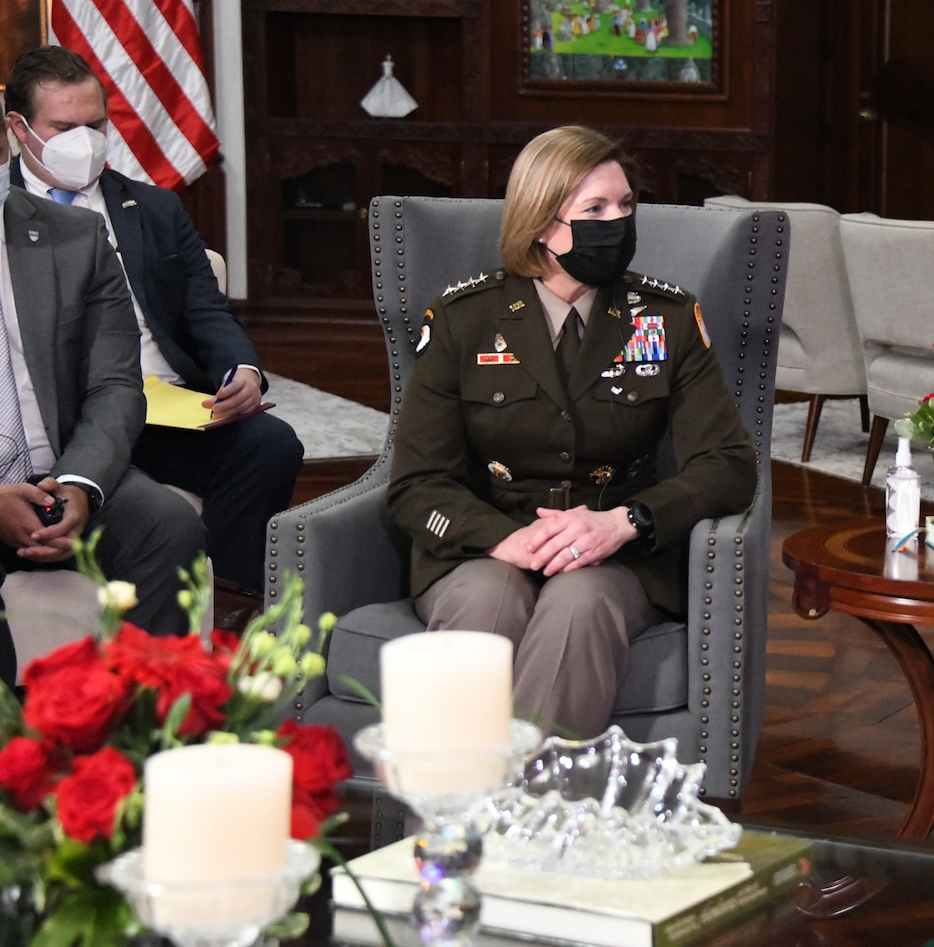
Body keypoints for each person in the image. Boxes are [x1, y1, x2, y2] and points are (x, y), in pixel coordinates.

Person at [387, 125, 756, 736]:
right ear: (541, 223)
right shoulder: (465, 320)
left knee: (578, 605)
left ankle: (532, 816)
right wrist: (504, 540)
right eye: (595, 209)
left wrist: (625, 522)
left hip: (618, 554)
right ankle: (451, 807)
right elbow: (416, 483)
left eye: (626, 204)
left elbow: (728, 464)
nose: (619, 221)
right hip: (488, 542)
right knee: (489, 600)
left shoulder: (663, 319)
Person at [4, 47, 303, 595]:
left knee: (270, 443)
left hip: (165, 413)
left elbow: (204, 309)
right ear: (19, 128)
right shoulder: (6, 214)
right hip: (70, 416)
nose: (85, 140)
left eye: (95, 124)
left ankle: (230, 602)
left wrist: (243, 370)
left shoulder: (155, 208)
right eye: (65, 127)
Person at [0, 138, 202, 687]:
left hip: (62, 465)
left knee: (167, 524)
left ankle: (146, 731)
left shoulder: (76, 237)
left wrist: (80, 484)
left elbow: (115, 383)